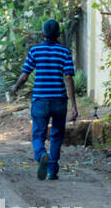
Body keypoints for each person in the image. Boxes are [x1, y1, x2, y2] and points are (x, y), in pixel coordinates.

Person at [10, 19, 78, 181]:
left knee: (38, 134)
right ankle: (52, 170)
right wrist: (74, 105)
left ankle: (41, 155)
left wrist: (16, 87)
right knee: (56, 135)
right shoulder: (65, 52)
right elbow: (68, 77)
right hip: (59, 100)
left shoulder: (35, 51)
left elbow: (25, 74)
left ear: (42, 34)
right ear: (58, 34)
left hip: (40, 99)